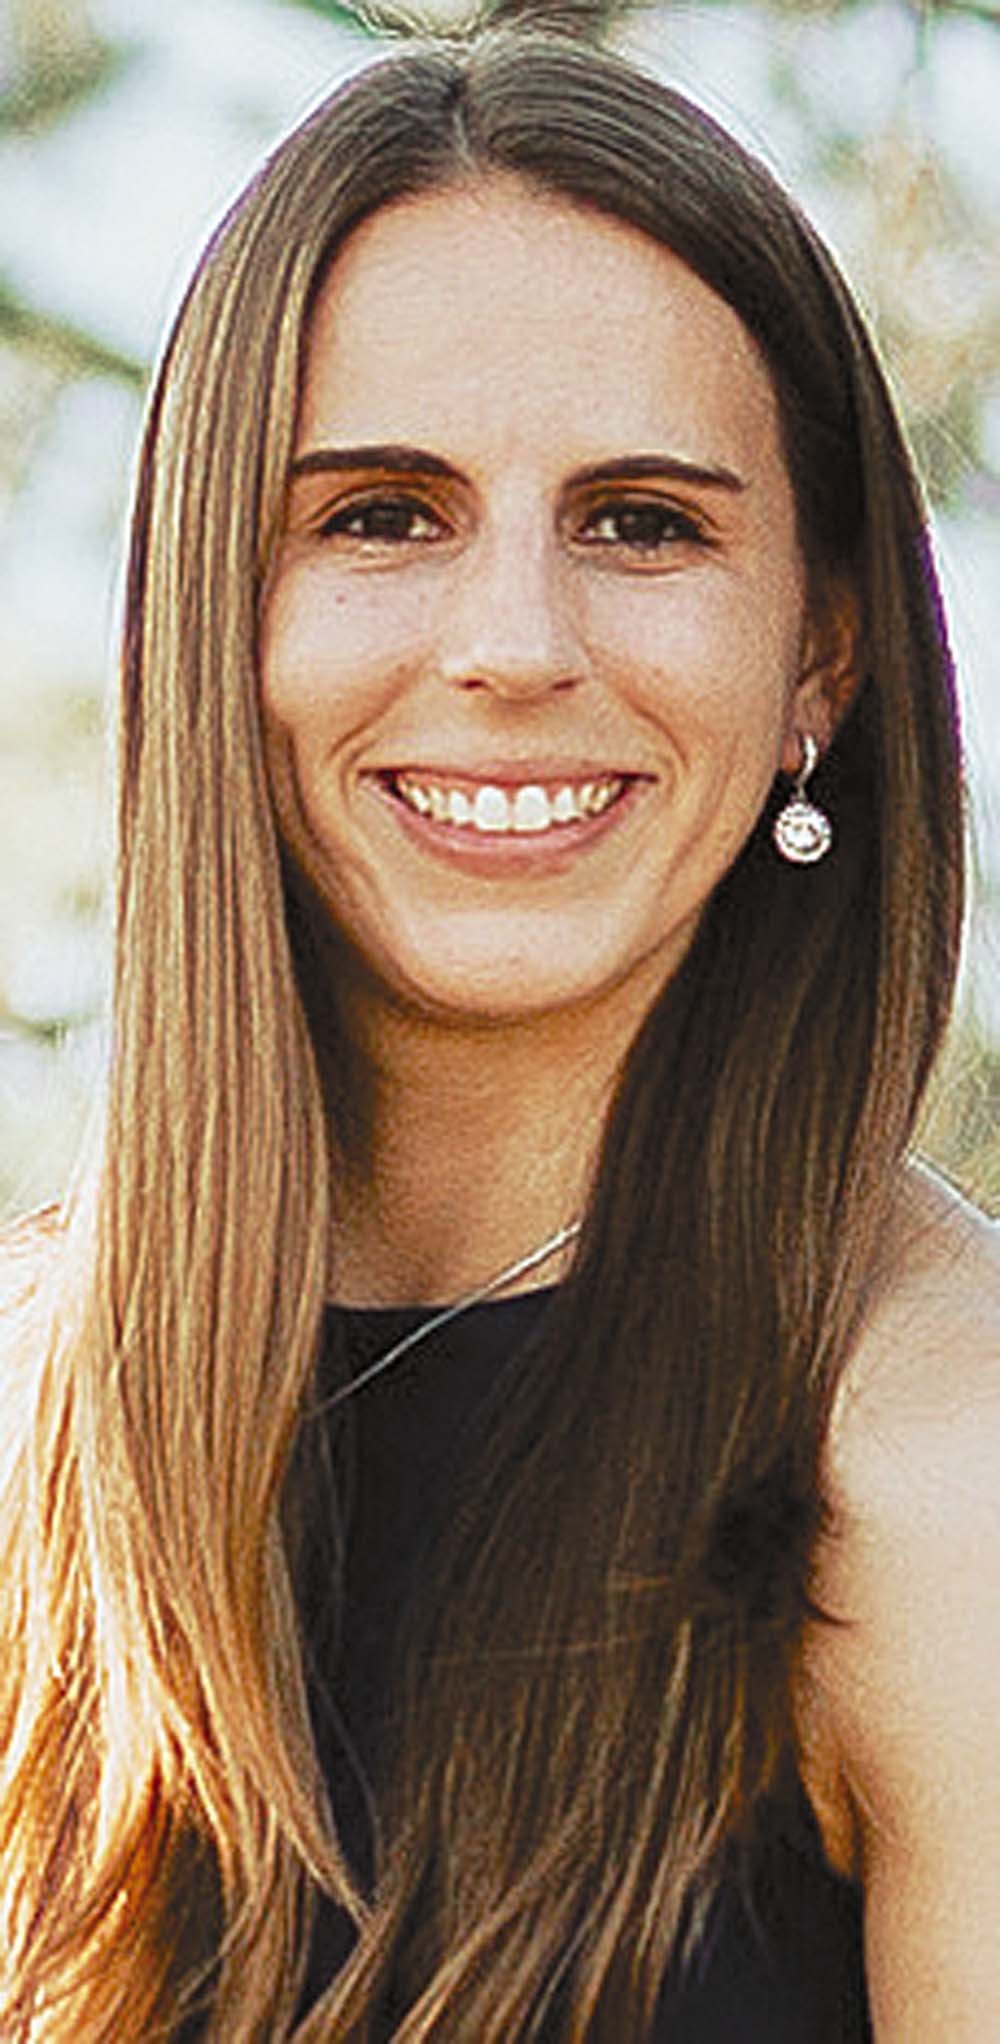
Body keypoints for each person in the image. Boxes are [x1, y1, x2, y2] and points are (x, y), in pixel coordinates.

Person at [2, 10, 998, 2040]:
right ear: (216, 619)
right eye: (381, 514)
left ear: (818, 656)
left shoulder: (940, 1469)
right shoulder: (40, 1437)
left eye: (642, 521)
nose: (515, 645)